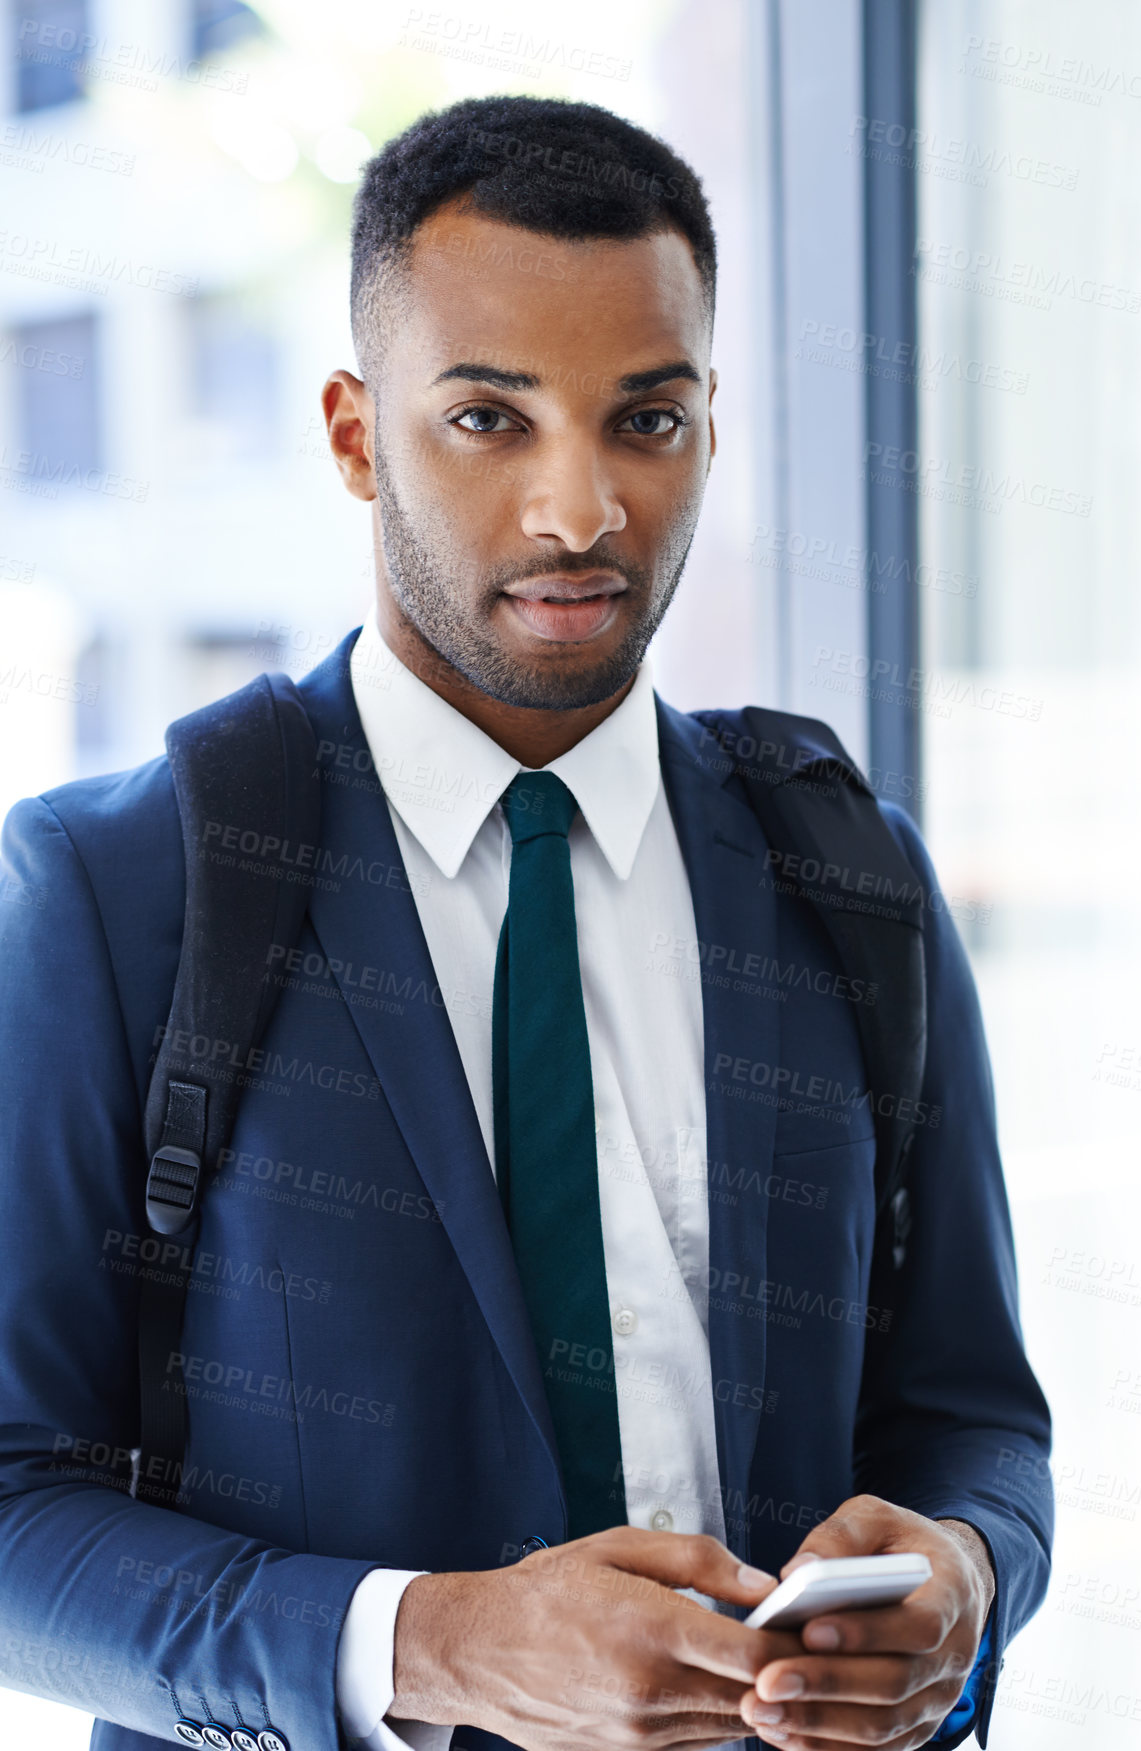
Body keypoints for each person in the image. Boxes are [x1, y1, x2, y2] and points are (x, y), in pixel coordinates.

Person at [0, 95, 1051, 1751]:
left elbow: (974, 1422)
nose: (581, 515)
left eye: (647, 420)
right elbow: (9, 1509)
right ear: (355, 434)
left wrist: (966, 1577)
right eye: (489, 419)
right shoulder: (118, 890)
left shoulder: (849, 878)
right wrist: (427, 1645)